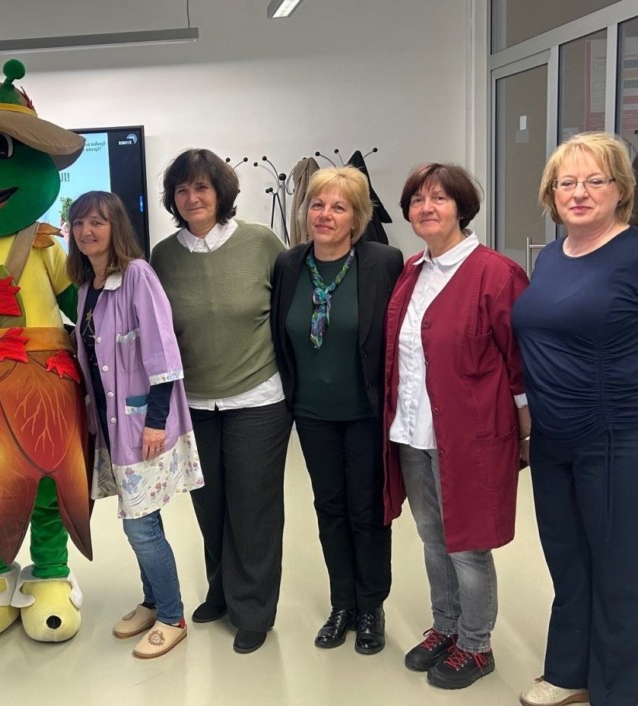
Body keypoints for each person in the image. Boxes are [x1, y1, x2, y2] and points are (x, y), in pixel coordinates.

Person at [512, 132, 638, 706]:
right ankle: (569, 673)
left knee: (620, 571)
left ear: (620, 190)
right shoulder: (551, 258)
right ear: (551, 193)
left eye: (595, 180)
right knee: (569, 560)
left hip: (625, 441)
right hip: (555, 440)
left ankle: (614, 693)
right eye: (567, 182)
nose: (579, 192)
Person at [382, 163, 530, 690]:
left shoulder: (497, 274)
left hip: (469, 436)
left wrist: (525, 434)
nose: (427, 208)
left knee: (467, 543)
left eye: (439, 198)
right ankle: (445, 627)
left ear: (461, 207)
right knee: (431, 537)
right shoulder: (413, 270)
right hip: (413, 432)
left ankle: (476, 643)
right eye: (417, 200)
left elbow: (521, 363)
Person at [150, 148, 293, 654]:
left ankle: (253, 609)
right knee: (209, 507)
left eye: (202, 187)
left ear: (221, 193)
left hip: (257, 397)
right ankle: (222, 592)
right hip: (194, 404)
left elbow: (289, 312)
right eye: (182, 189)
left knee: (253, 509)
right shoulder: (163, 257)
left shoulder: (261, 243)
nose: (192, 197)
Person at [270, 167, 402, 656]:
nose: (324, 215)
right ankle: (342, 603)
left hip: (365, 412)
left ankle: (371, 606)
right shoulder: (289, 265)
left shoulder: (383, 262)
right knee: (329, 509)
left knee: (367, 511)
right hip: (312, 413)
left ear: (357, 217)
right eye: (317, 205)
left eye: (338, 207)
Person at [67, 191, 204, 659]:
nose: (87, 231)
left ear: (116, 227)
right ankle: (152, 602)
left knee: (140, 526)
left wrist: (156, 422)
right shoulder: (86, 286)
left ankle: (172, 616)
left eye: (97, 222)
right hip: (110, 427)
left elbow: (163, 351)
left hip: (143, 424)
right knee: (140, 515)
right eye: (79, 223)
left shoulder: (137, 275)